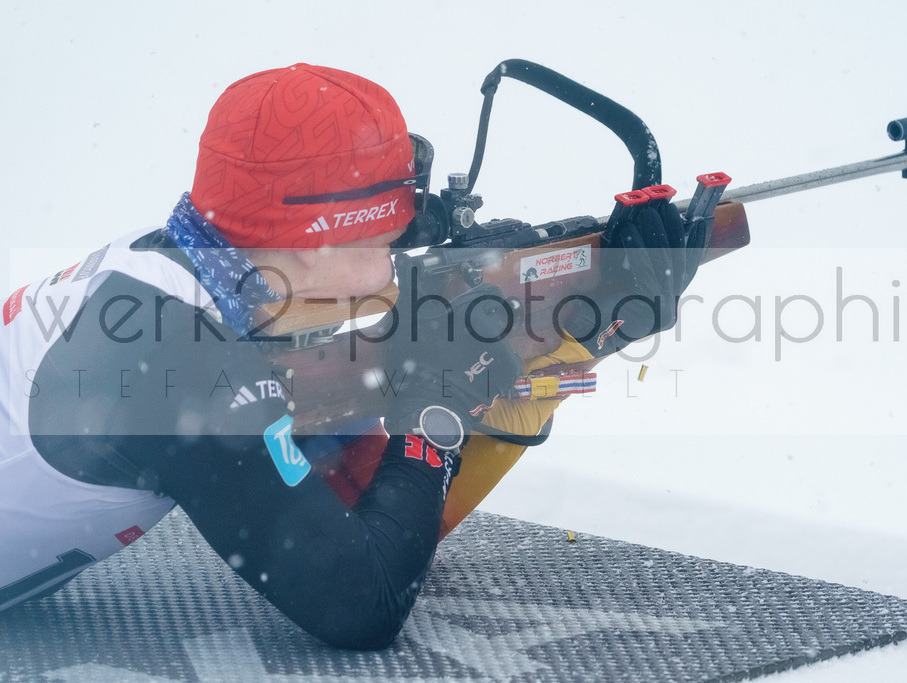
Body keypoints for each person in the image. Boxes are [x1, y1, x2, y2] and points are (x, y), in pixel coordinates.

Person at [0, 63, 700, 649]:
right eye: (380, 244)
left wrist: (561, 331)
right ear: (310, 238)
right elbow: (360, 601)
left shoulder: (191, 270)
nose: (390, 274)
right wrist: (438, 402)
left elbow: (353, 500)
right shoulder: (175, 365)